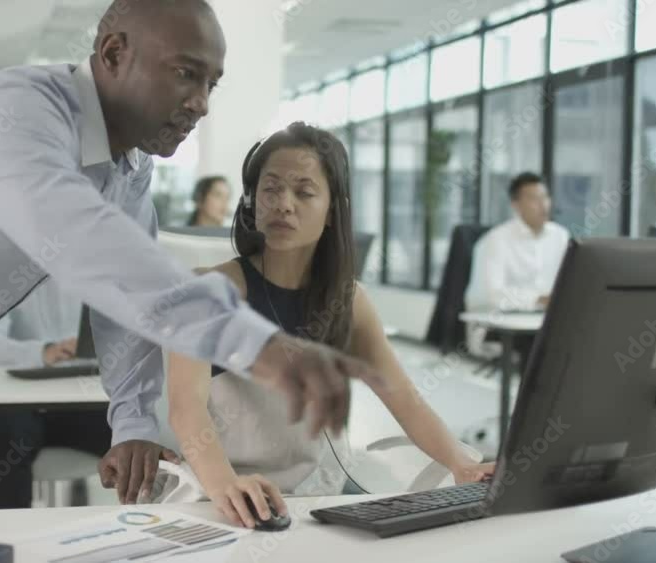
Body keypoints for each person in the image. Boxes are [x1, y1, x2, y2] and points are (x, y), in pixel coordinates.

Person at [0, 0, 380, 515]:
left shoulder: (126, 166)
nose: (201, 103)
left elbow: (121, 309)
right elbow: (89, 245)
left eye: (211, 84)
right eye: (186, 74)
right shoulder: (16, 115)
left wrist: (133, 420)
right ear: (113, 54)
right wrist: (256, 344)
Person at [165, 122, 495, 530]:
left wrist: (461, 465)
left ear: (331, 212)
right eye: (270, 188)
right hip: (224, 488)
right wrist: (226, 486)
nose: (283, 203)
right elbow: (186, 407)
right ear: (251, 202)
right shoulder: (210, 290)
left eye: (304, 191)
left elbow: (404, 398)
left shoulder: (348, 300)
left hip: (316, 491)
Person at [0, 281, 112, 508]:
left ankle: (147, 523)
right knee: (0, 441)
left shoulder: (96, 267)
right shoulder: (2, 271)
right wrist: (44, 351)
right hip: (16, 404)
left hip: (82, 399)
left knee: (139, 436)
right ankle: (15, 531)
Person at [465, 172, 570, 365]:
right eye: (533, 199)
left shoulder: (561, 237)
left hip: (547, 320)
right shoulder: (495, 241)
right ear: (516, 205)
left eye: (545, 197)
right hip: (498, 325)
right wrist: (538, 300)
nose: (542, 204)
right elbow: (490, 296)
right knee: (542, 348)